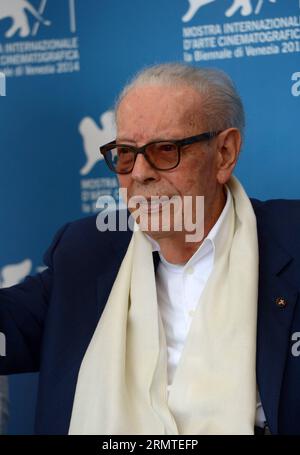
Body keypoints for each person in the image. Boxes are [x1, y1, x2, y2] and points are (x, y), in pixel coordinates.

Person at [0, 63, 300, 435]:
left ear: (224, 153)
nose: (139, 173)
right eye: (125, 153)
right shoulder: (87, 250)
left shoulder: (292, 239)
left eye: (164, 149)